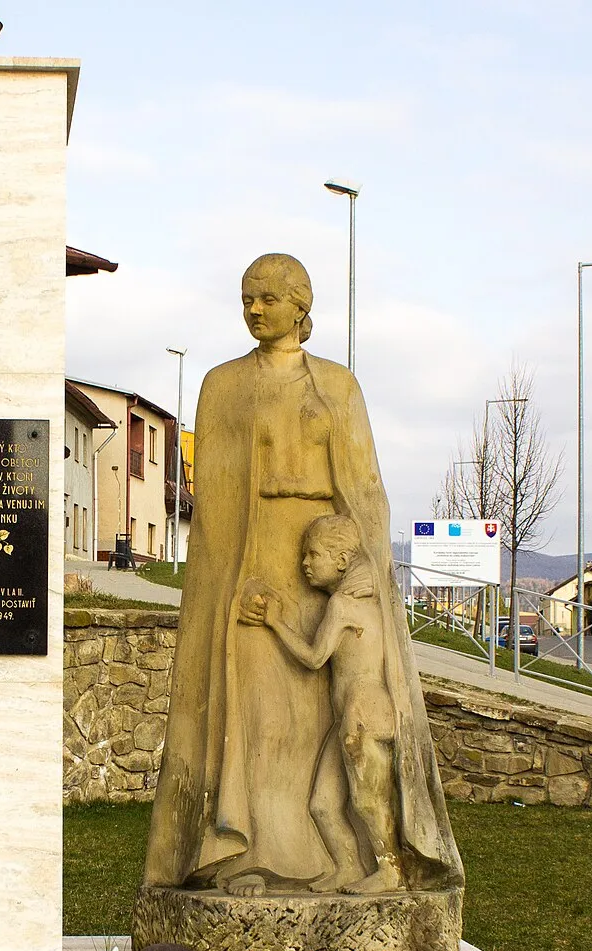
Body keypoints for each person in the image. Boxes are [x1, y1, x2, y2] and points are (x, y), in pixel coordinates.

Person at [143, 253, 463, 899]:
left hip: (328, 558)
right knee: (257, 713)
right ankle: (248, 851)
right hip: (253, 558)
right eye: (246, 298)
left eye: (267, 297)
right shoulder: (224, 383)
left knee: (322, 715)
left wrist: (368, 564)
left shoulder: (336, 384)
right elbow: (217, 496)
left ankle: (344, 858)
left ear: (300, 304)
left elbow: (366, 487)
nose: (255, 309)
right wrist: (224, 576)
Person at [242, 515, 402, 893]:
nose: (305, 564)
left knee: (367, 801)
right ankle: (348, 866)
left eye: (313, 555)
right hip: (350, 716)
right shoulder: (364, 601)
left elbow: (315, 658)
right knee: (323, 804)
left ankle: (391, 869)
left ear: (342, 561)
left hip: (364, 713)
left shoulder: (344, 607)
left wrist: (275, 622)